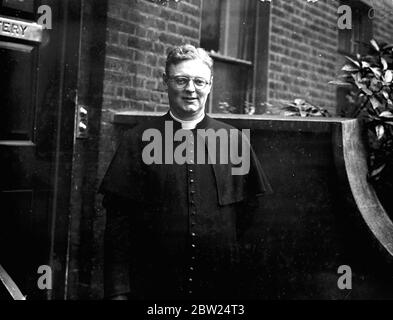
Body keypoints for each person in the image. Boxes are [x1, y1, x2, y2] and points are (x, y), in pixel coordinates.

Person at [99, 44, 272, 300]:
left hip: (220, 289)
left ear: (210, 85)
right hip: (154, 288)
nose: (191, 89)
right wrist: (118, 293)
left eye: (199, 82)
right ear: (165, 81)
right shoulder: (138, 140)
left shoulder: (233, 140)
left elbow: (250, 218)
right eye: (181, 80)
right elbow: (118, 226)